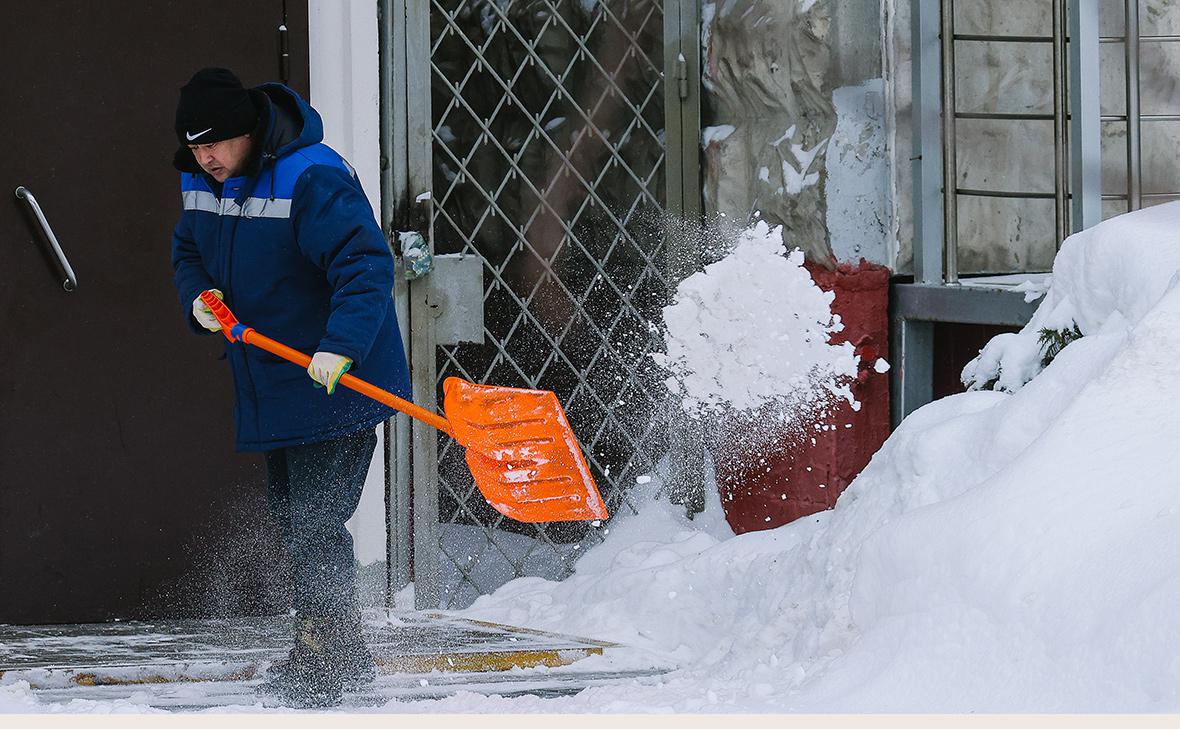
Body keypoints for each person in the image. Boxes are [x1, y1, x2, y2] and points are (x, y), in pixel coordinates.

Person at [169, 67, 409, 707]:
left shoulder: (311, 176)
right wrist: (199, 297)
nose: (205, 158)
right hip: (275, 381)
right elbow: (188, 250)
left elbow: (365, 264)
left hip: (338, 378)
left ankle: (331, 665)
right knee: (296, 521)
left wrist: (341, 345)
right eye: (194, 147)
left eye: (215, 144)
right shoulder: (201, 179)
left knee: (313, 525)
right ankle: (329, 651)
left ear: (248, 130)